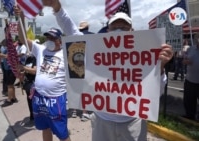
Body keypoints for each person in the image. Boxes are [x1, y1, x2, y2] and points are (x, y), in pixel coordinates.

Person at [40, 1, 173, 141]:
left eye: (123, 27)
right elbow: (72, 30)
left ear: (132, 31)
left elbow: (156, 93)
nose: (119, 30)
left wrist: (161, 67)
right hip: (102, 120)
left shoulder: (144, 55)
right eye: (115, 27)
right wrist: (57, 8)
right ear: (108, 31)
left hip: (133, 122)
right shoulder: (95, 47)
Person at [15, 6, 71, 141]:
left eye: (53, 38)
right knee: (45, 128)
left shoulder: (67, 53)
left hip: (56, 99)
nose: (50, 40)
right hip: (39, 97)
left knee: (62, 133)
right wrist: (21, 17)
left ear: (60, 41)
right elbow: (22, 38)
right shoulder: (41, 49)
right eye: (48, 38)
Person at [71, 21, 94, 121]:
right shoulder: (93, 36)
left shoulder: (74, 37)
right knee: (86, 89)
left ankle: (74, 111)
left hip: (75, 64)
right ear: (88, 27)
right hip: (90, 66)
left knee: (76, 88)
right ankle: (84, 113)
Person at [0, 39, 18, 107]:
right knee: (11, 84)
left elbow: (6, 56)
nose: (3, 44)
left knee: (9, 85)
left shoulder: (11, 49)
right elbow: (1, 56)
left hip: (11, 69)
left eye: (4, 43)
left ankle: (9, 100)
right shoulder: (7, 48)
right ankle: (13, 98)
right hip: (8, 68)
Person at [182, 36, 199, 121]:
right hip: (190, 80)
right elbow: (184, 60)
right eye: (198, 38)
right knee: (188, 100)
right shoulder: (191, 49)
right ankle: (190, 116)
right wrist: (185, 61)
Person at [19, 55, 37, 121]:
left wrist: (24, 68)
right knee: (29, 99)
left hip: (35, 83)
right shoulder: (28, 59)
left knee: (35, 100)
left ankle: (37, 115)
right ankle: (32, 115)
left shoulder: (36, 58)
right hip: (28, 82)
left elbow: (34, 71)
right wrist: (22, 73)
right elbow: (26, 69)